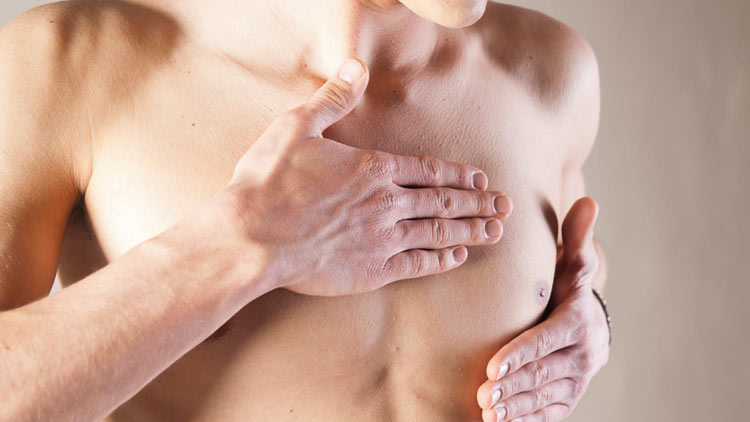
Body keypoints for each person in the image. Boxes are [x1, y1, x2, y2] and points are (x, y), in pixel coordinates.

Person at [0, 1, 610, 421]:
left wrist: (587, 326)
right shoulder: (69, 61)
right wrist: (235, 244)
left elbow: (570, 273)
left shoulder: (552, 69)